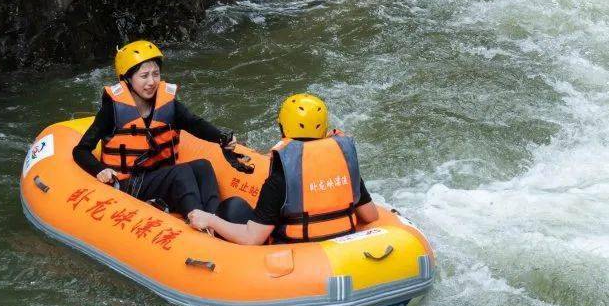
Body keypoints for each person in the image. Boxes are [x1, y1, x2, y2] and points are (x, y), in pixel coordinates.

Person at [72, 40, 252, 223]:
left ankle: (215, 219)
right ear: (127, 78)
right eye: (144, 76)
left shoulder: (168, 105)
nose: (151, 82)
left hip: (159, 176)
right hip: (128, 183)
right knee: (180, 172)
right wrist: (100, 170)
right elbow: (80, 150)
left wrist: (221, 137)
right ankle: (198, 220)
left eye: (155, 74)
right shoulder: (112, 111)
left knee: (202, 166)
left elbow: (195, 124)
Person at [187, 93, 379, 245]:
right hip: (342, 244)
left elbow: (252, 238)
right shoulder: (343, 164)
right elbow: (370, 215)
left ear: (283, 128)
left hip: (297, 253)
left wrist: (210, 219)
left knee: (233, 207)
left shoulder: (281, 178)